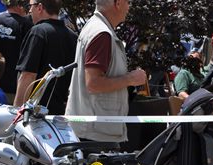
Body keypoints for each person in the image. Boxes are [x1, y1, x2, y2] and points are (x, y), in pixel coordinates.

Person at [65, 0, 146, 144]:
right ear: (118, 3)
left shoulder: (96, 28)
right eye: (127, 2)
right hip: (95, 134)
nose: (129, 7)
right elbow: (93, 83)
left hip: (93, 130)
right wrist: (130, 79)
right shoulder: (102, 33)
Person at [14, 0, 77, 114]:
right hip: (62, 111)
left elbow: (28, 75)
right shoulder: (73, 36)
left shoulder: (38, 32)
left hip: (35, 113)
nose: (29, 10)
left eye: (31, 6)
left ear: (40, 7)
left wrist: (17, 112)